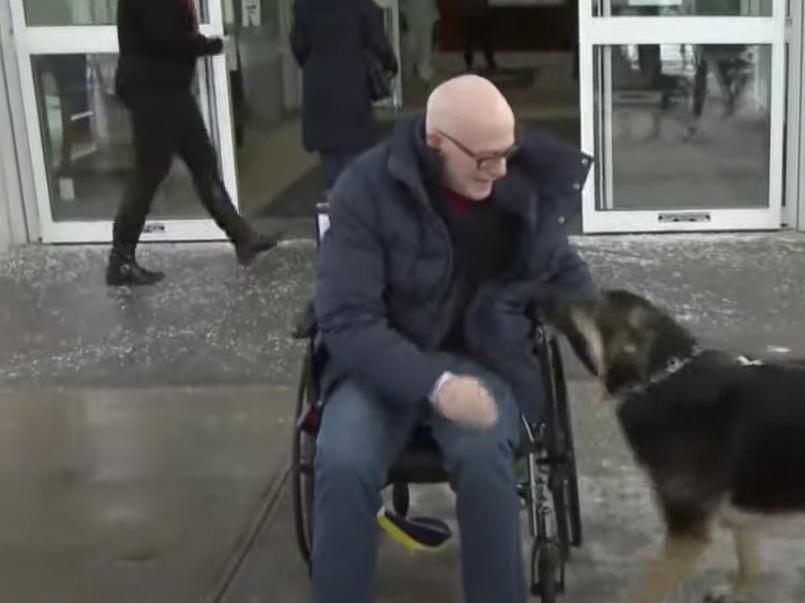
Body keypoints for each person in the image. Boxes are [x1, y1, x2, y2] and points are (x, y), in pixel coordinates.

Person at [311, 75, 595, 603]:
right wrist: (436, 385)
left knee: (488, 462)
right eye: (484, 158)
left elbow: (569, 279)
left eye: (507, 152)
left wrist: (610, 352)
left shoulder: (520, 188)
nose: (500, 169)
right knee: (342, 458)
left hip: (486, 360)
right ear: (435, 140)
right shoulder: (365, 190)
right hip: (380, 364)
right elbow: (347, 320)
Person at [111, 0, 280, 287]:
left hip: (171, 92)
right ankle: (121, 260)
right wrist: (207, 45)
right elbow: (163, 37)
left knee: (203, 162)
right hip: (153, 94)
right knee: (150, 172)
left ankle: (243, 238)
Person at [290, 0, 399, 194]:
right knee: (358, 159)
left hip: (320, 86)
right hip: (353, 84)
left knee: (330, 160)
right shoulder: (360, 4)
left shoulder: (304, 4)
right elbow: (378, 43)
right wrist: (389, 64)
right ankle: (355, 210)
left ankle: (335, 206)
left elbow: (299, 45)